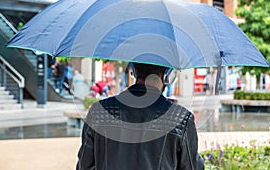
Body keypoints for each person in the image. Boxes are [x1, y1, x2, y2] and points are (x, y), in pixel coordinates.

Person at [76, 63, 204, 170]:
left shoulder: (99, 111)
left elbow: (84, 165)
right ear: (168, 76)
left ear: (134, 71)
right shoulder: (181, 118)